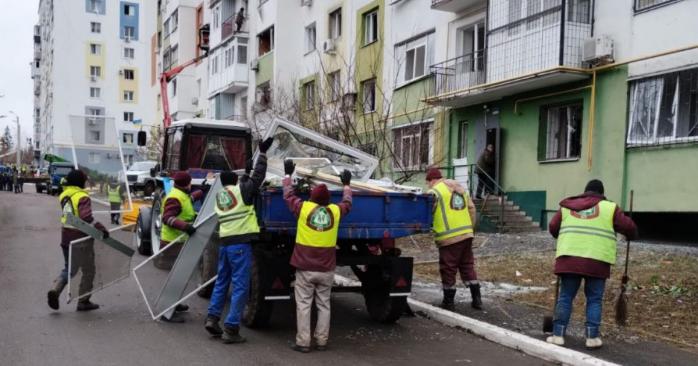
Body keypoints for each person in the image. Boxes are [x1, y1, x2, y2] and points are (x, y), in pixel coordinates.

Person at [546, 179, 637, 349]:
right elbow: (629, 227)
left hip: (569, 260)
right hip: (597, 261)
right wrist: (631, 233)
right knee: (594, 299)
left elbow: (553, 226)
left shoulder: (567, 206)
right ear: (601, 194)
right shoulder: (610, 208)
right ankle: (592, 338)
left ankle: (558, 335)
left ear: (584, 192)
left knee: (566, 297)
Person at [204, 138, 272, 344]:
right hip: (240, 246)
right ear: (235, 182)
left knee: (222, 282)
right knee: (241, 286)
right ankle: (231, 328)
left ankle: (212, 318)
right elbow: (258, 179)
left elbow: (247, 183)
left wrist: (247, 173)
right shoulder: (240, 191)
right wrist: (263, 154)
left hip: (225, 244)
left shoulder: (221, 195)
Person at [282, 160, 352, 353]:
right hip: (326, 267)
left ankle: (303, 342)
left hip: (305, 267)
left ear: (312, 198)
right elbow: (347, 203)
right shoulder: (335, 211)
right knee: (324, 304)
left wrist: (288, 175)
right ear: (328, 200)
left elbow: (288, 195)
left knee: (303, 305)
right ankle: (322, 341)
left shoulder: (304, 209)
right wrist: (346, 185)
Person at [47, 169, 110, 311]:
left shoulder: (64, 195)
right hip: (80, 239)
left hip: (66, 237)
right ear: (80, 182)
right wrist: (101, 229)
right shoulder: (82, 196)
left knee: (70, 268)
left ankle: (55, 290)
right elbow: (86, 217)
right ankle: (83, 301)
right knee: (88, 270)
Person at [425, 167, 482, 311]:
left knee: (448, 268)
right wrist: (470, 229)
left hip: (449, 237)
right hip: (466, 235)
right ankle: (477, 299)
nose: (428, 185)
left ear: (431, 180)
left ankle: (448, 302)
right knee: (467, 265)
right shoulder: (459, 188)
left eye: (428, 182)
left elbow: (427, 213)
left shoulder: (434, 192)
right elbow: (472, 209)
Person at [158, 171, 204, 322]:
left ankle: (174, 305)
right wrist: (186, 227)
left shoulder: (180, 194)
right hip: (172, 243)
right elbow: (167, 218)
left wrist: (198, 193)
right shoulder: (174, 197)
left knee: (177, 276)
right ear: (186, 183)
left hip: (178, 241)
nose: (191, 185)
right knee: (174, 278)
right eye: (190, 182)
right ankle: (166, 312)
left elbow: (186, 202)